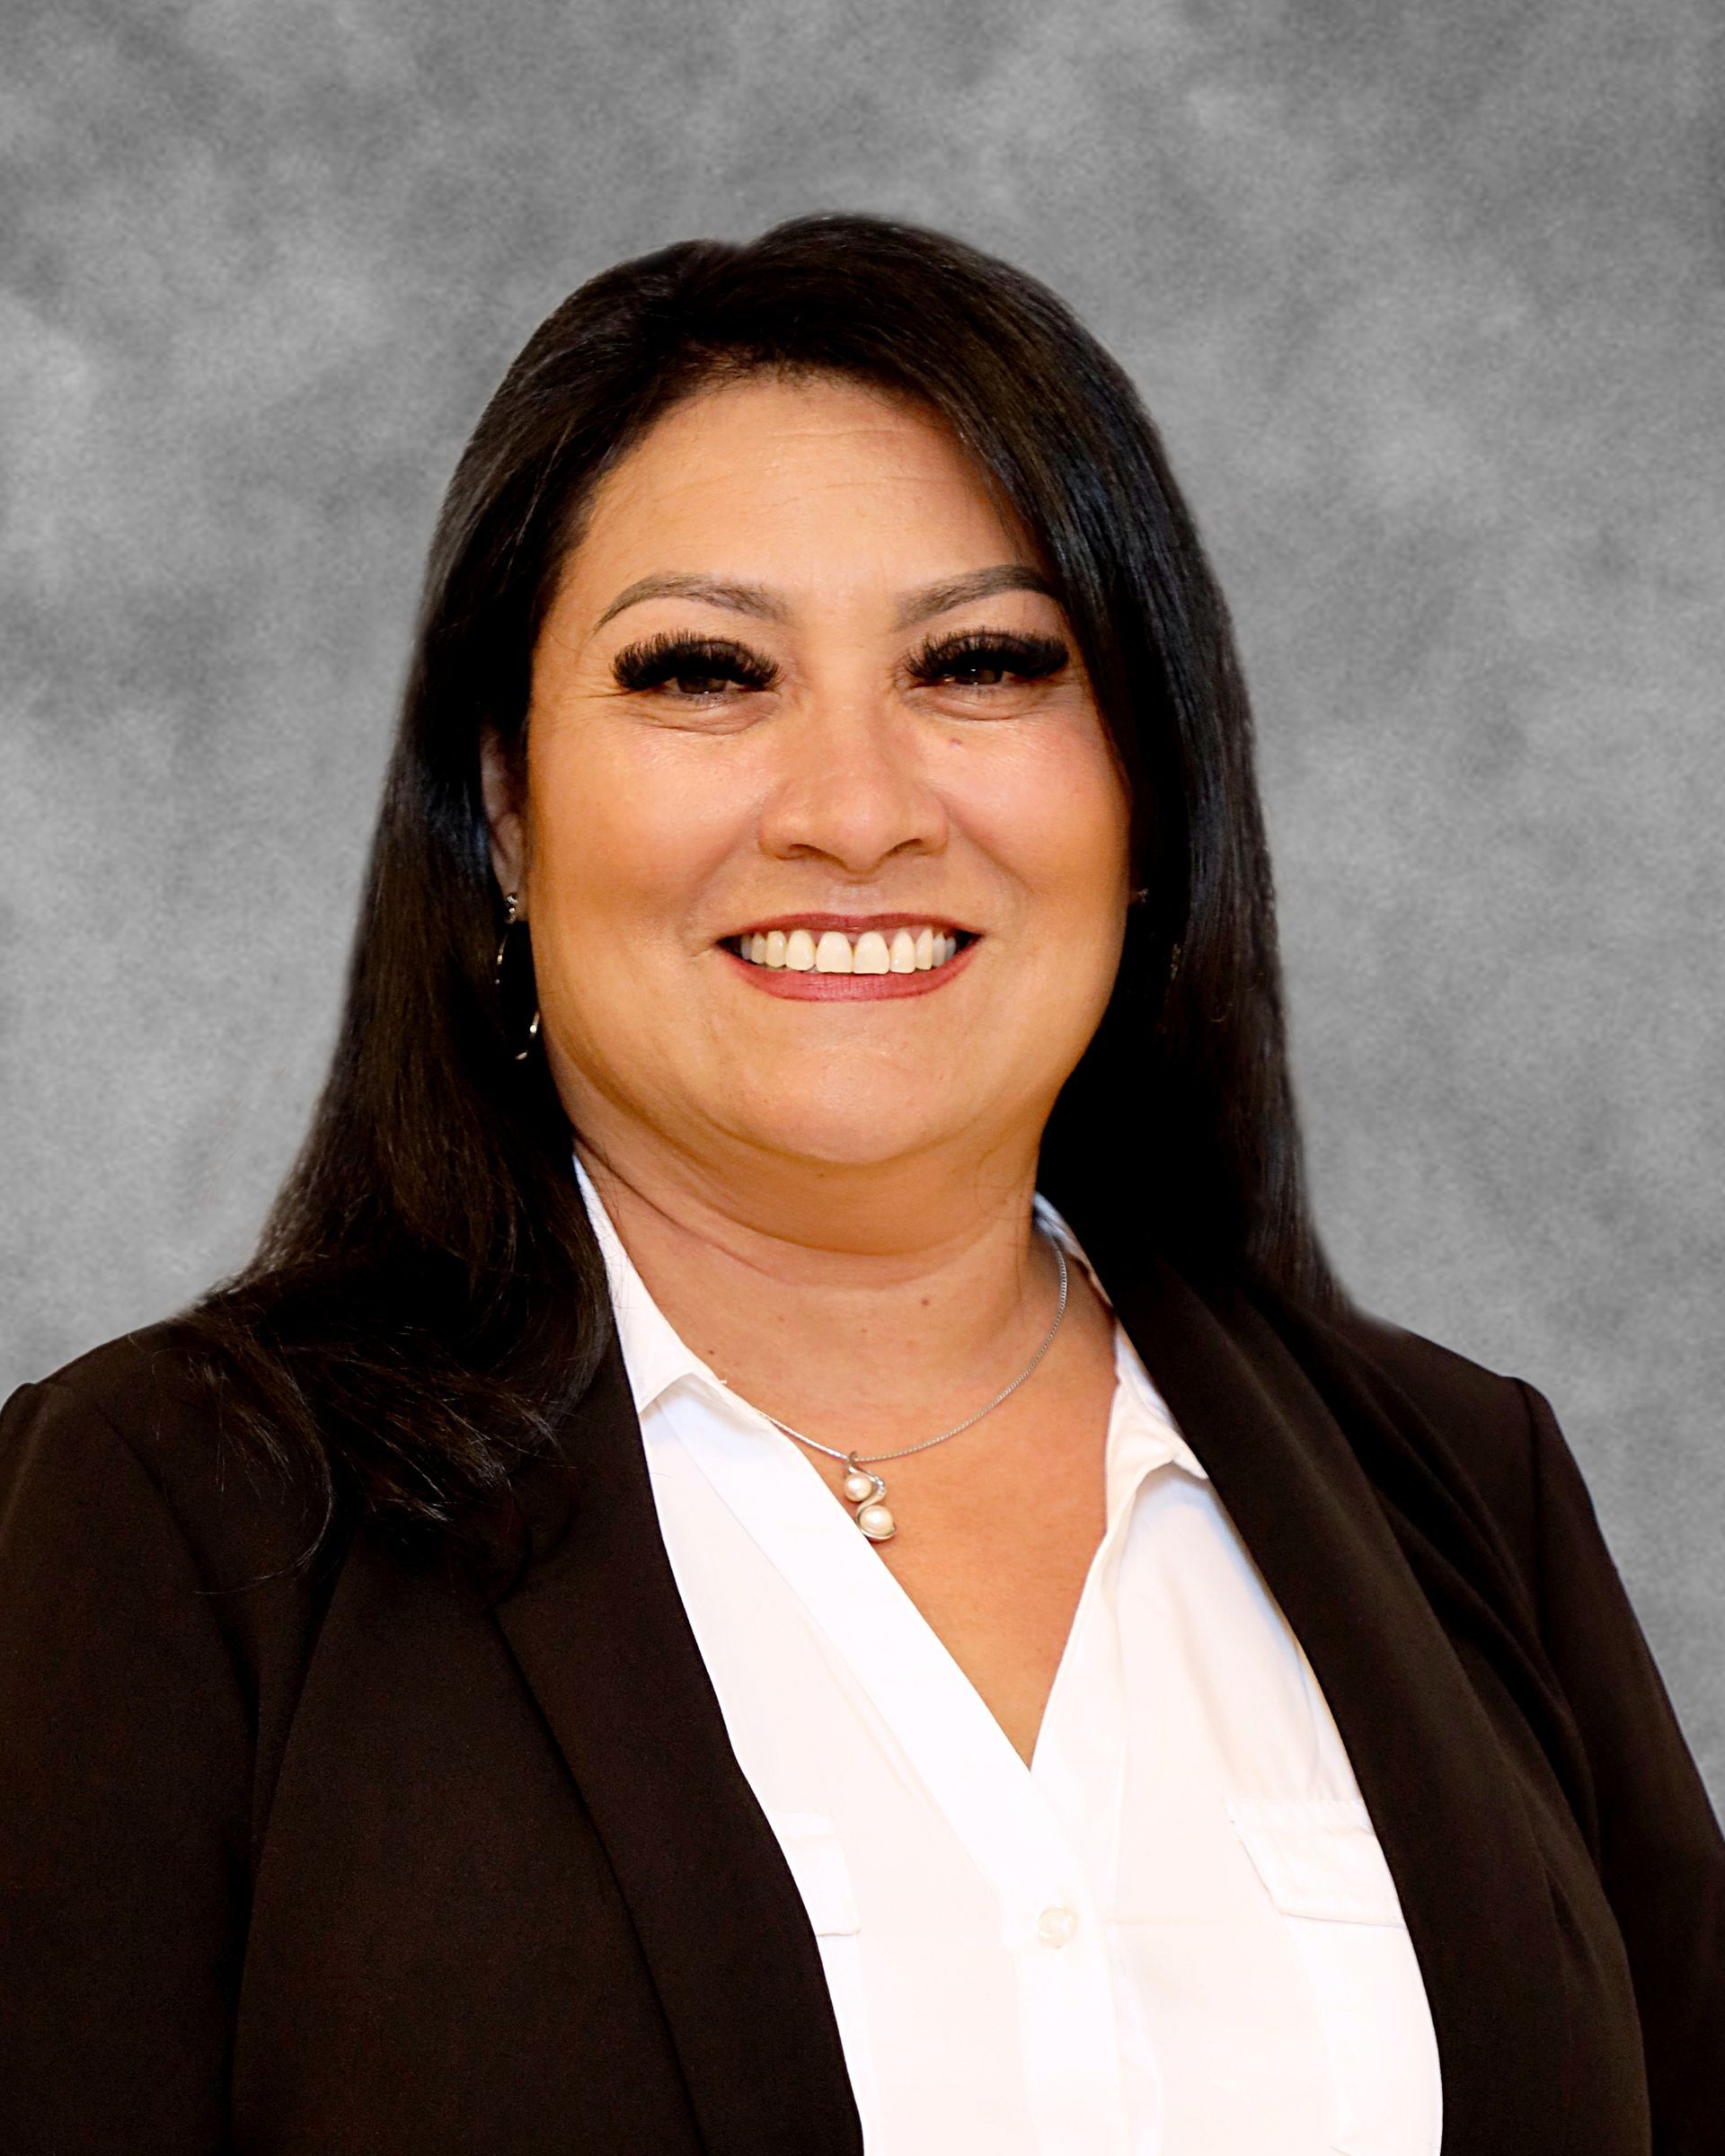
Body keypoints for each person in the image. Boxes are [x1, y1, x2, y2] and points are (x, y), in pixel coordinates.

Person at [1, 211, 1718, 2156]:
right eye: (706, 673)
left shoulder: (1461, 1490)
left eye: (981, 662)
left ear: (1147, 786)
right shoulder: (172, 1522)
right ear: (501, 803)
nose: (853, 808)